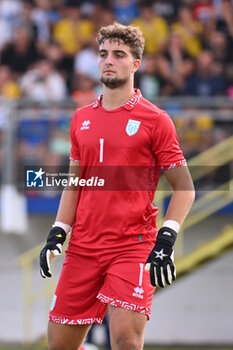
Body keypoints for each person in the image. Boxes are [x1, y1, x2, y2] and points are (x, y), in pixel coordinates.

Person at [39, 22, 195, 350]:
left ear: (136, 64)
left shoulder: (156, 120)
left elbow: (184, 187)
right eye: (103, 54)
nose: (109, 60)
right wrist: (57, 233)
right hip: (82, 247)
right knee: (59, 345)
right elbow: (74, 185)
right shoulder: (80, 118)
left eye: (119, 55)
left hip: (132, 246)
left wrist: (166, 237)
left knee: (126, 341)